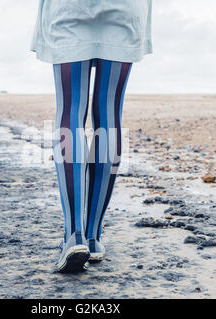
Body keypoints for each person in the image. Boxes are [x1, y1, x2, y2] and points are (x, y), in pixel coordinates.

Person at [31, 0, 153, 273]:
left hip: (70, 8)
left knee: (71, 111)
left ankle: (74, 236)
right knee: (109, 115)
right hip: (124, 7)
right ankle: (94, 237)